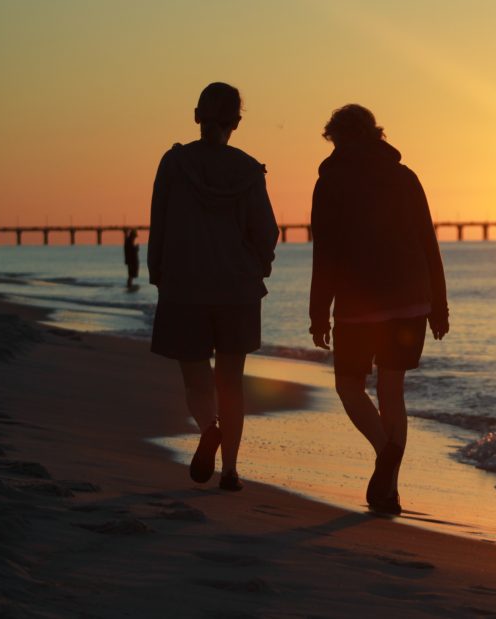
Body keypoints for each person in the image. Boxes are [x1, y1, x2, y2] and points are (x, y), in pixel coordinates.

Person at [309, 104, 449, 515]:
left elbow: (325, 253)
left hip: (357, 306)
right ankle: (388, 488)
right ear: (375, 134)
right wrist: (438, 305)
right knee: (392, 393)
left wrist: (319, 311)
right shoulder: (405, 177)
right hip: (410, 299)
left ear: (336, 138)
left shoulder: (331, 182)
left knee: (349, 388)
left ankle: (384, 454)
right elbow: (429, 242)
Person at [148, 82, 279, 492]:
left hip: (184, 285)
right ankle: (231, 471)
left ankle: (208, 428)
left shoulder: (174, 164)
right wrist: (259, 267)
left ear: (196, 116)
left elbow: (159, 223)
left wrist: (158, 275)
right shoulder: (249, 170)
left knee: (195, 380)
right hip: (237, 290)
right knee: (231, 381)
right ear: (236, 122)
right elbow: (267, 231)